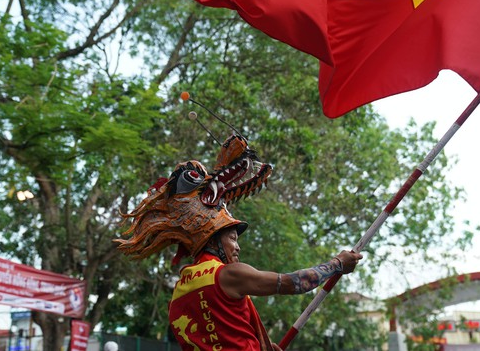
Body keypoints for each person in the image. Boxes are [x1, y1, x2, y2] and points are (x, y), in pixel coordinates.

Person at [116, 134, 362, 351]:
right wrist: (337, 263)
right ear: (213, 237)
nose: (238, 246)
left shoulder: (179, 293)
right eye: (232, 237)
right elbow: (293, 283)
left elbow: (222, 336)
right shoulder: (227, 275)